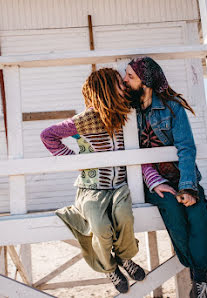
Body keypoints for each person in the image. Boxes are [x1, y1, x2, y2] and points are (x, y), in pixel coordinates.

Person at [123, 57, 207, 298]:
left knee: (198, 215)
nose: (124, 80)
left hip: (183, 178)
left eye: (130, 76)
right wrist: (156, 182)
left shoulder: (172, 108)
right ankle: (203, 279)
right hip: (153, 184)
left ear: (145, 82)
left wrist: (188, 188)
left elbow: (186, 148)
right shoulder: (128, 112)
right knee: (174, 214)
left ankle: (199, 278)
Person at [40, 68, 145, 294]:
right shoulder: (88, 118)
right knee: (100, 227)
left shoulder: (125, 114)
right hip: (92, 189)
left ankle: (125, 258)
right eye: (119, 83)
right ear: (105, 89)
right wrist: (73, 161)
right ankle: (109, 267)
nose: (124, 86)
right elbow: (48, 135)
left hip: (119, 187)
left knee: (125, 217)